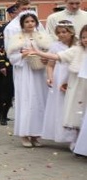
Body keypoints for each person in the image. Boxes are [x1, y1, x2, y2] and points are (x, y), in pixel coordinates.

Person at [25, 23, 87, 151]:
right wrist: (38, 52)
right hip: (78, 87)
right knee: (76, 113)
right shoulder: (77, 50)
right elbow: (57, 57)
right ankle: (76, 142)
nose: (85, 40)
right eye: (84, 37)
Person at [6, 12, 52, 148]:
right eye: (27, 22)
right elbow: (12, 57)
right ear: (22, 24)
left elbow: (49, 53)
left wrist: (45, 58)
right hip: (24, 73)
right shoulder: (17, 38)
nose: (30, 24)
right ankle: (25, 134)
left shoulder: (42, 37)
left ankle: (36, 135)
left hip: (39, 73)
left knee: (39, 101)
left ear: (36, 23)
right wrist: (23, 55)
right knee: (26, 102)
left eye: (32, 21)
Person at [40, 20, 77, 145]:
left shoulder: (77, 46)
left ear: (71, 32)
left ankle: (74, 137)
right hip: (59, 77)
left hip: (72, 76)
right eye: (59, 32)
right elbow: (50, 65)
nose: (61, 35)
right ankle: (62, 135)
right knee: (60, 107)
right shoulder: (55, 46)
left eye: (64, 32)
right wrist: (50, 78)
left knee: (72, 107)